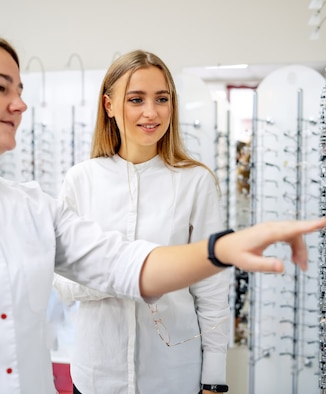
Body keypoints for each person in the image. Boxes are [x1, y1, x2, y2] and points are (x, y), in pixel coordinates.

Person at [0, 31, 326, 394]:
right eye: (0, 87)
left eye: (20, 88)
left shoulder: (32, 208)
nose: (20, 104)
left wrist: (221, 249)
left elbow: (125, 264)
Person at [52, 50, 231, 394]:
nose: (152, 112)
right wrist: (131, 276)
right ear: (109, 106)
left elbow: (212, 289)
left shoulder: (196, 182)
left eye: (161, 98)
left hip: (173, 376)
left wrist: (215, 377)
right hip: (96, 377)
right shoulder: (81, 180)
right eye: (136, 99)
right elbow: (61, 280)